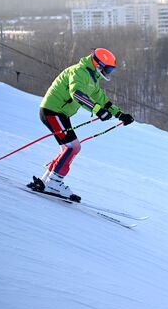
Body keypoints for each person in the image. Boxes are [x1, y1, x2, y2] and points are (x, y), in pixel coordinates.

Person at [27, 48, 134, 202]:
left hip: (60, 113)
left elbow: (102, 99)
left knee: (67, 148)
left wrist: (120, 114)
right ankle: (54, 182)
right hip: (52, 111)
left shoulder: (92, 77)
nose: (108, 72)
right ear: (98, 64)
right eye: (107, 68)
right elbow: (76, 94)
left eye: (111, 69)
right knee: (72, 147)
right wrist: (97, 110)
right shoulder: (79, 72)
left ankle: (46, 181)